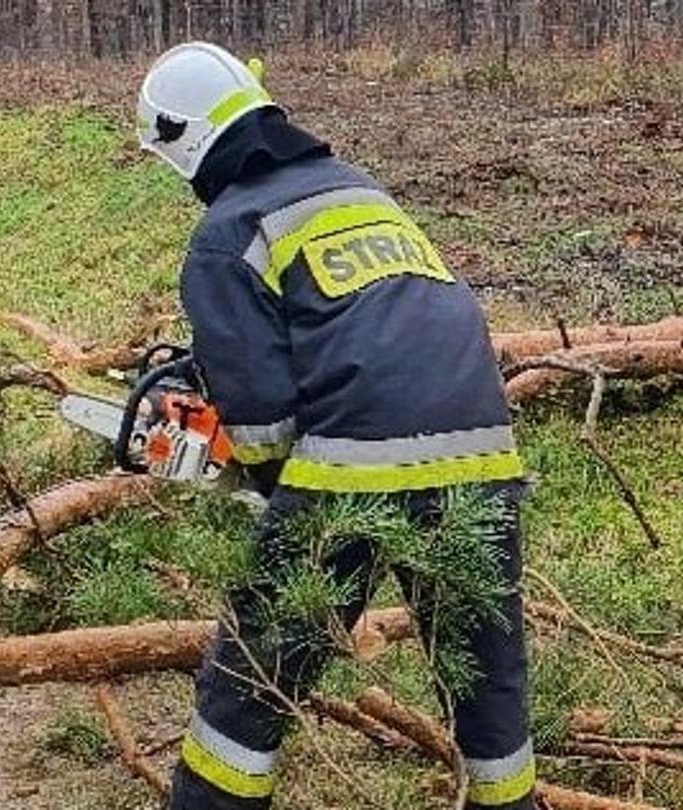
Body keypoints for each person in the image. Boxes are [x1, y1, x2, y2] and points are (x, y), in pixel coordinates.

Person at [136, 42, 534, 810]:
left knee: (248, 687)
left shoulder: (227, 232)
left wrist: (254, 482)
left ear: (184, 140)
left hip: (349, 475)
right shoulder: (360, 193)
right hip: (484, 458)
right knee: (488, 682)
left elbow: (262, 422)